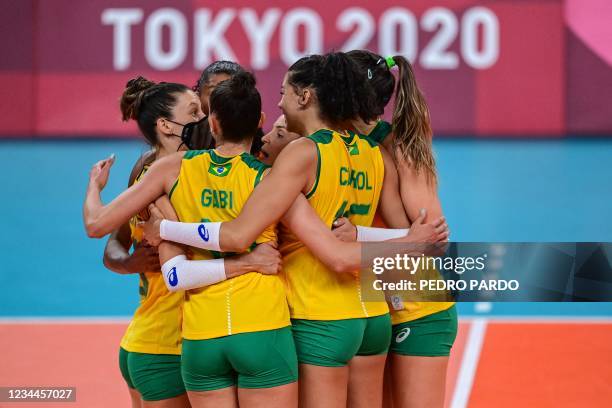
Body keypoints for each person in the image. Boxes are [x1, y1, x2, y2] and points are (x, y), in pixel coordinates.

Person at [134, 52, 448, 408]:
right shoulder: (374, 150)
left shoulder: (303, 155)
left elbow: (239, 235)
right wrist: (399, 240)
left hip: (328, 313)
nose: (278, 105)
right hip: (372, 312)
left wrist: (168, 229)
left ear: (308, 96)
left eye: (283, 91)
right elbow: (414, 236)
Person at [102, 76, 282, 408]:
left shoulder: (173, 170)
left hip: (165, 339)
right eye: (196, 108)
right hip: (169, 343)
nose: (202, 116)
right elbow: (173, 270)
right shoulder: (161, 172)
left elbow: (99, 224)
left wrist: (166, 229)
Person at [335, 50, 458, 408]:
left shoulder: (398, 147)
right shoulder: (322, 146)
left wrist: (359, 236)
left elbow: (432, 241)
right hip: (363, 308)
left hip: (414, 308)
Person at [192, 60, 264, 156]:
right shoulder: (183, 141)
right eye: (214, 92)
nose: (224, 100)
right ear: (197, 98)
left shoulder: (263, 153)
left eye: (233, 93)